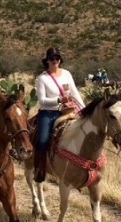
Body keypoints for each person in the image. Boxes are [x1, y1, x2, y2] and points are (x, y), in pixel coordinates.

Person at [33, 47, 85, 183]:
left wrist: (84, 110)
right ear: (47, 61)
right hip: (49, 112)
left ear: (60, 60)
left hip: (68, 110)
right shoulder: (42, 78)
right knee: (42, 140)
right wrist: (58, 100)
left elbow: (75, 93)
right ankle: (39, 168)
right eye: (52, 59)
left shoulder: (67, 74)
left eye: (57, 58)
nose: (55, 61)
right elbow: (42, 100)